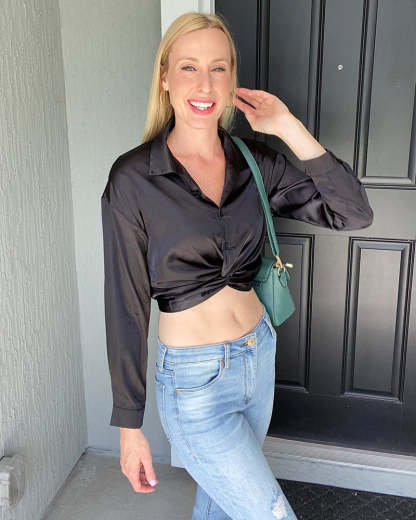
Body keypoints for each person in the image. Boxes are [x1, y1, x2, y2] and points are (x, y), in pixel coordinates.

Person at [100, 11, 373, 520]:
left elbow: (352, 212)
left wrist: (287, 126)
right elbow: (125, 307)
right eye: (189, 67)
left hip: (257, 356)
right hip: (194, 383)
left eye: (219, 68)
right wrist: (129, 427)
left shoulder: (255, 162)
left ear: (232, 81)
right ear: (165, 77)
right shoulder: (133, 179)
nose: (205, 84)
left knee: (222, 508)